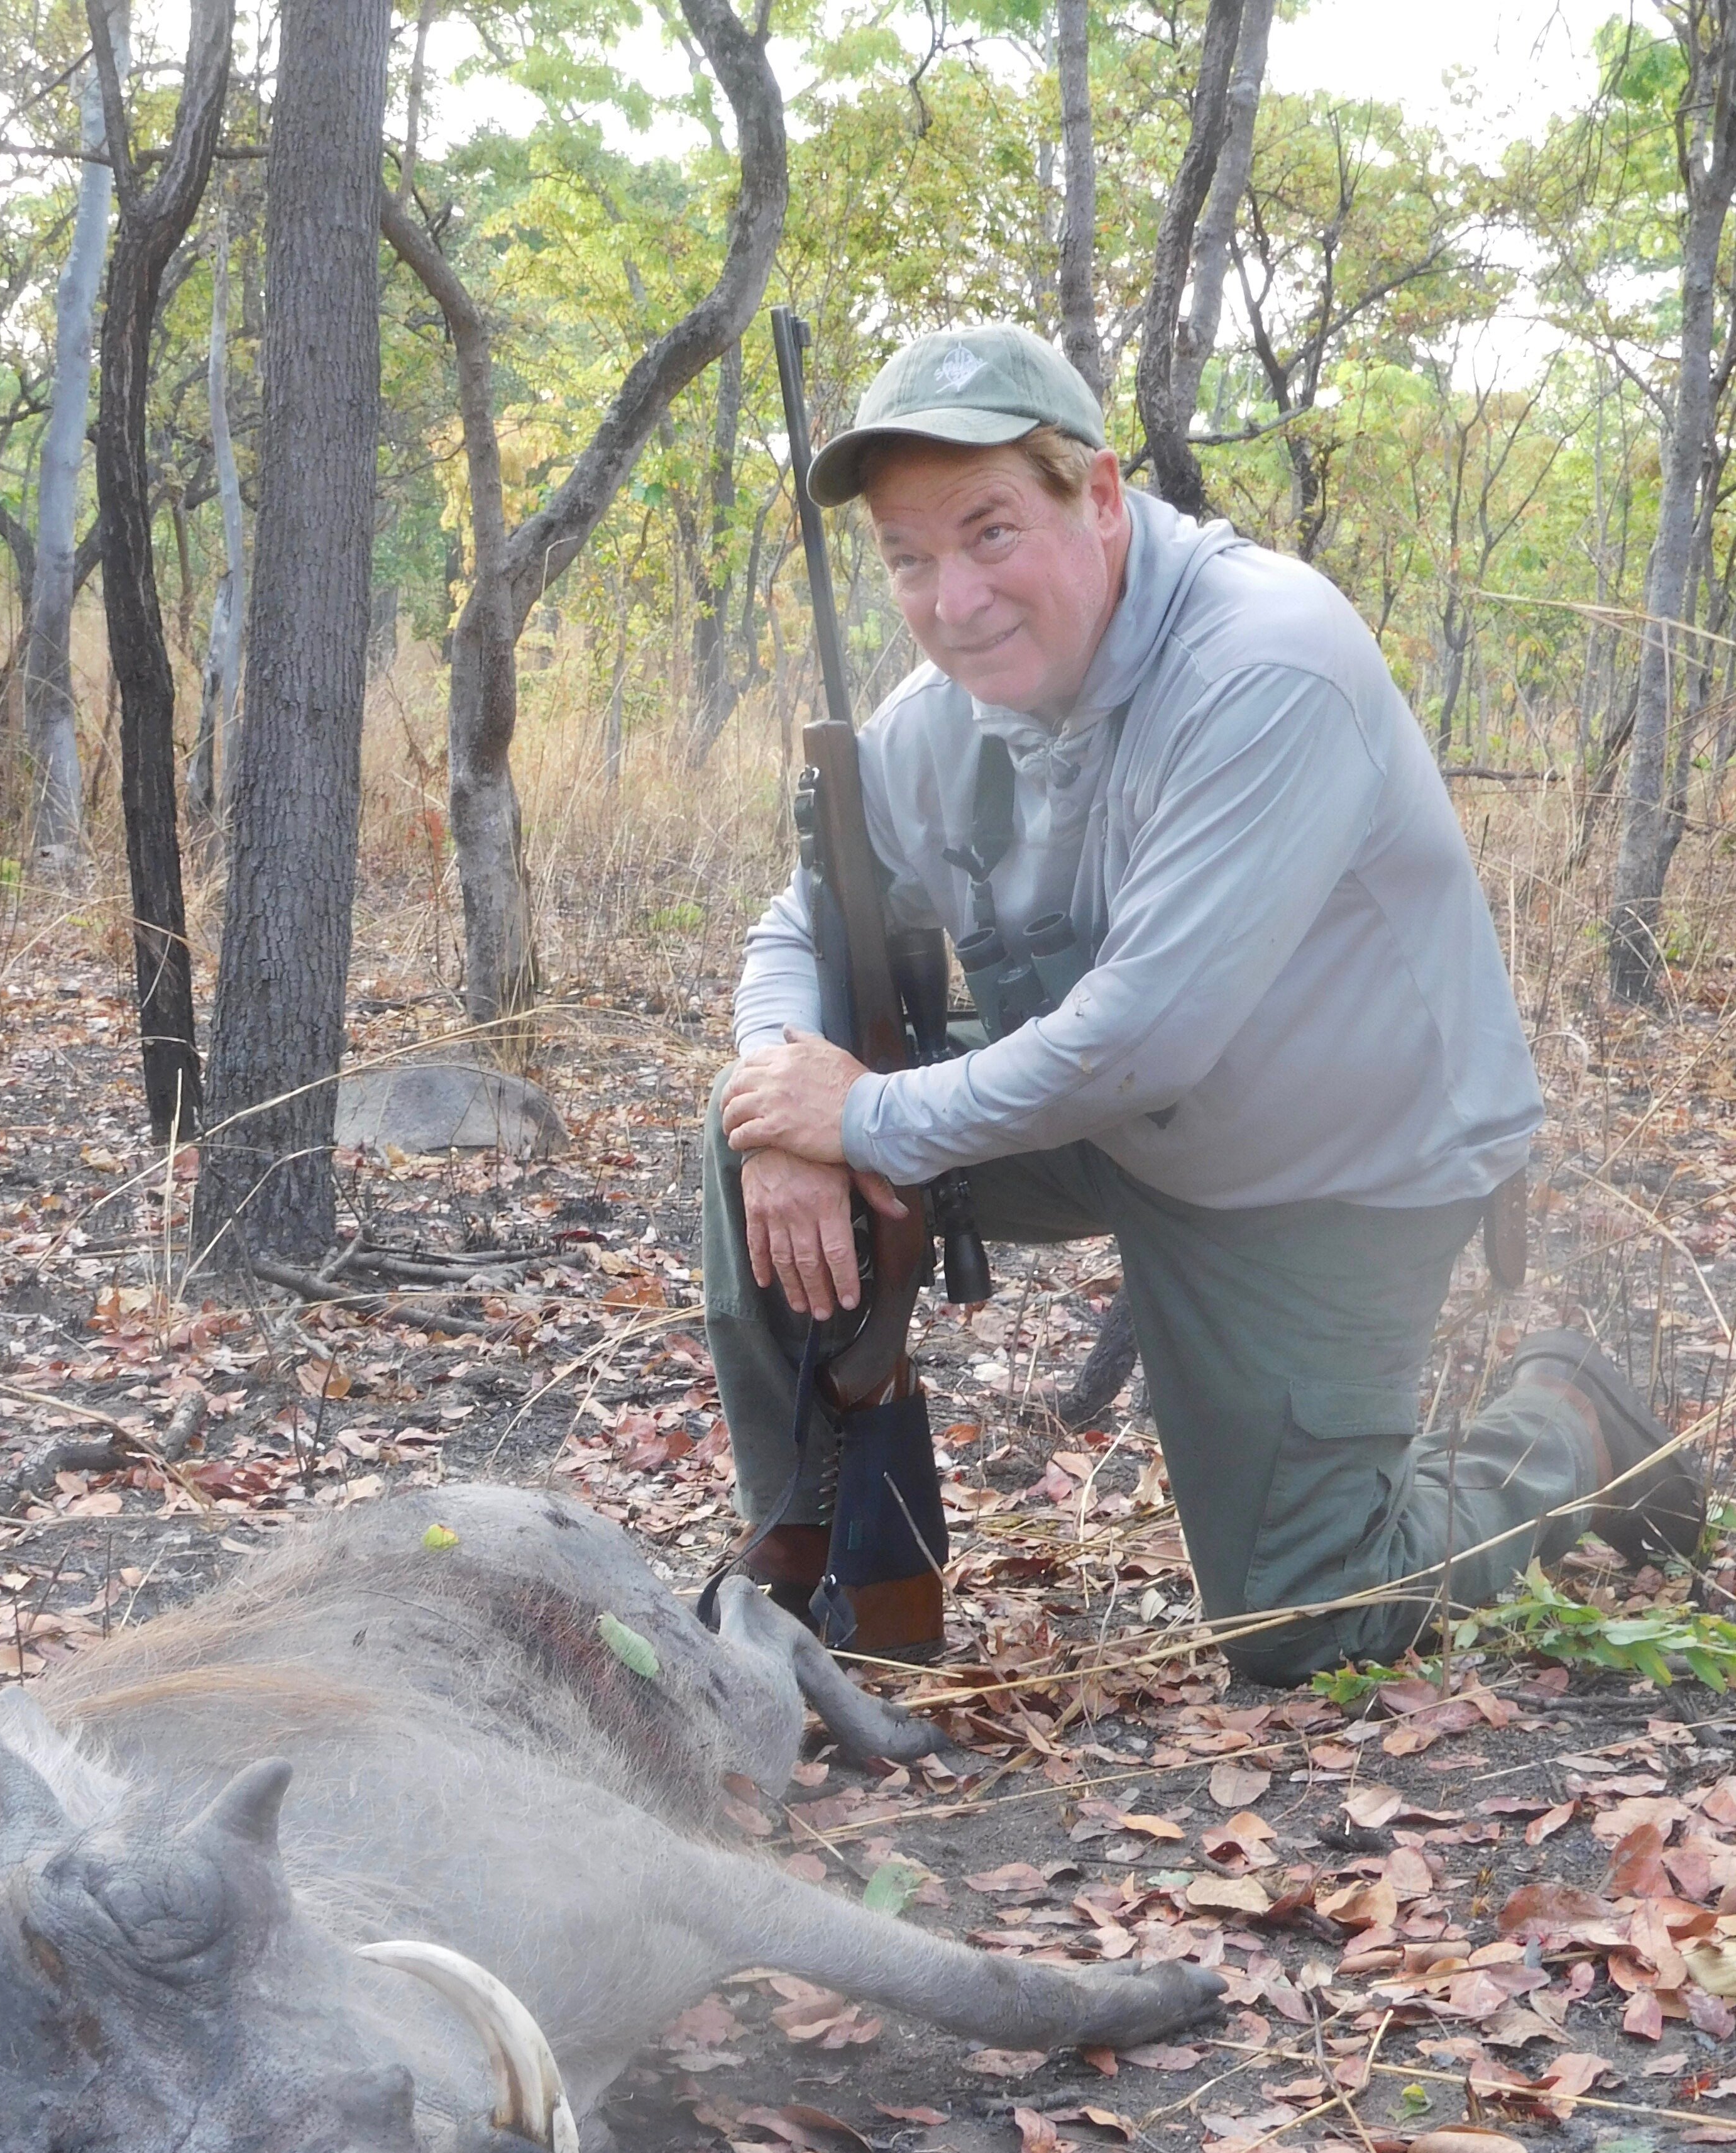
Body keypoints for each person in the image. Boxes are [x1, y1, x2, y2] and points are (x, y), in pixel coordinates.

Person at [706, 321, 1708, 1681]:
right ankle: (818, 1543)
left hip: (1331, 1170)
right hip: (1123, 1127)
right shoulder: (941, 714)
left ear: (1102, 496)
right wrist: (783, 1105)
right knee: (756, 1131)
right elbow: (797, 923)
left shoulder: (1265, 663)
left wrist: (869, 1116)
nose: (953, 600)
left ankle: (1567, 1426)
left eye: (991, 531)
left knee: (1306, 1624)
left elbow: (1144, 1037)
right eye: (909, 558)